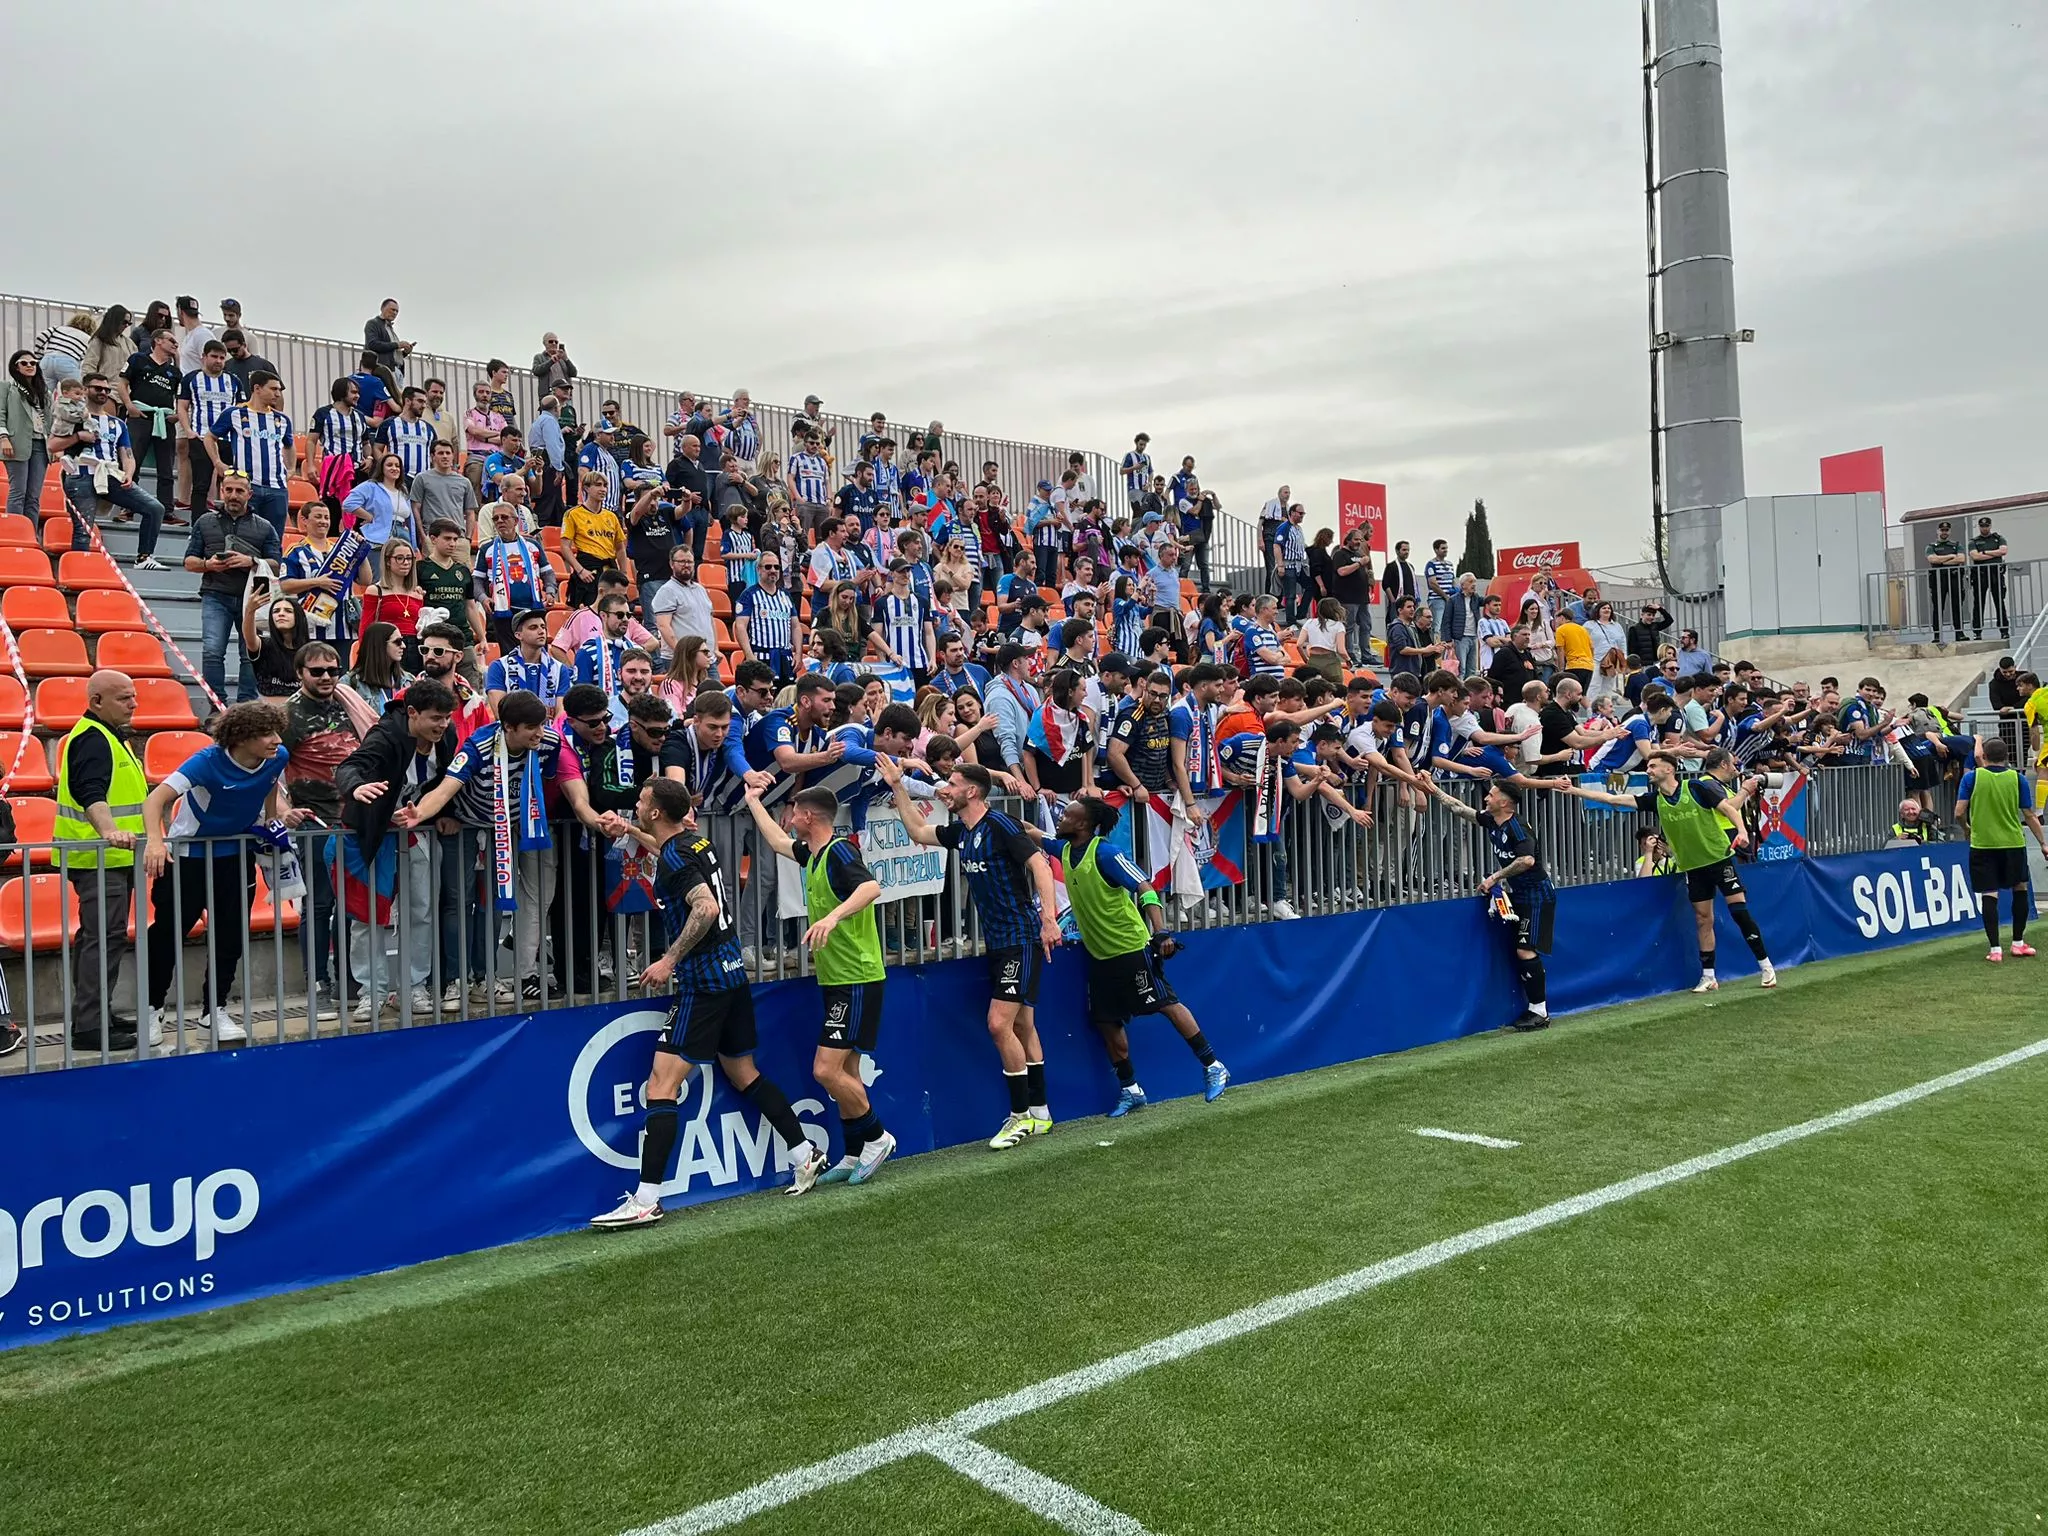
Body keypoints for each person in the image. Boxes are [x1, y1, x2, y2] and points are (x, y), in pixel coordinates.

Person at [588, 780, 829, 1229]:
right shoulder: (692, 842)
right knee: (742, 1072)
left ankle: (646, 1199)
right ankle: (803, 1152)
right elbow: (672, 859)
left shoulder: (677, 854)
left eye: (641, 802)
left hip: (703, 982)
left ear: (656, 812)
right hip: (732, 971)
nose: (636, 804)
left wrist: (669, 959)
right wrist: (629, 830)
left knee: (661, 1084)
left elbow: (705, 907)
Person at [879, 759, 1062, 1148]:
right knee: (1023, 1025)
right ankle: (1041, 1112)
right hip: (999, 942)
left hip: (1020, 936)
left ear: (972, 791)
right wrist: (897, 786)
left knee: (998, 1024)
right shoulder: (962, 831)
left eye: (953, 783)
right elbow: (917, 830)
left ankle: (1020, 1117)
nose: (946, 789)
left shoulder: (1001, 825)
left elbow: (1041, 867)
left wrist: (1049, 919)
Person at [740, 785, 898, 1185]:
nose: (789, 817)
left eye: (794, 811)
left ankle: (878, 1137)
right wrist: (753, 801)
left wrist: (832, 917)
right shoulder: (812, 854)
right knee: (846, 1070)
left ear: (808, 816)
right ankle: (854, 1152)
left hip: (857, 977)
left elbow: (870, 887)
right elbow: (777, 842)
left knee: (826, 1070)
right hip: (837, 978)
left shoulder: (840, 851)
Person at [1036, 796, 1230, 1116]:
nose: (1060, 819)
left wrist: (1160, 931)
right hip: (1099, 956)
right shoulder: (1064, 849)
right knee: (1106, 1021)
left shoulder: (1107, 853)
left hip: (1130, 948)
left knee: (1166, 1004)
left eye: (1066, 816)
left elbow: (1145, 887)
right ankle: (1131, 1089)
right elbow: (1029, 831)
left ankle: (1213, 1066)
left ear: (1082, 824)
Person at [140, 702, 307, 1045]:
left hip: (235, 857)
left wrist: (271, 817)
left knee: (230, 938)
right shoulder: (206, 762)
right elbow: (154, 801)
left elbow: (269, 785)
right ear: (241, 738)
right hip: (187, 858)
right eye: (266, 734)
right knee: (167, 936)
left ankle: (213, 1013)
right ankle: (152, 1010)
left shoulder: (277, 756)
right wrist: (156, 842)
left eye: (277, 732)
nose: (277, 740)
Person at [1572, 750, 1777, 993]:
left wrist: (1741, 831)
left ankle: (1766, 966)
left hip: (1720, 859)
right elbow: (1612, 799)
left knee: (1739, 913)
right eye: (1648, 766)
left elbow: (1729, 809)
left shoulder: (1696, 788)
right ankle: (1708, 976)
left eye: (1653, 766)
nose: (1648, 770)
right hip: (1693, 867)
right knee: (1703, 919)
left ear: (1669, 769)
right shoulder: (1655, 800)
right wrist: (1573, 790)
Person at [333, 679, 458, 1022]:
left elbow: (447, 780)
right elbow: (350, 767)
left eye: (447, 717)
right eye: (435, 718)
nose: (442, 725)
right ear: (412, 712)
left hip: (415, 832)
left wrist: (445, 814)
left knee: (421, 910)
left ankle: (413, 987)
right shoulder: (385, 734)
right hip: (373, 832)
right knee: (368, 916)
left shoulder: (447, 735)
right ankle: (370, 992)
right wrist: (357, 788)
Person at [53, 670, 151, 1051]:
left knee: (98, 938)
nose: (134, 704)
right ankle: (91, 1027)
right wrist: (110, 831)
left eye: (134, 696)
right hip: (99, 857)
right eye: (125, 698)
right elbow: (89, 791)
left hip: (110, 857)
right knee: (104, 939)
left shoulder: (109, 735)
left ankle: (92, 1016)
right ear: (97, 701)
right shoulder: (93, 738)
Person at [1431, 780, 1556, 1030]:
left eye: (1491, 795)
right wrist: (1431, 788)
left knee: (1525, 949)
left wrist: (1495, 877)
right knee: (1520, 949)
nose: (1486, 798)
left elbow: (1527, 860)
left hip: (1537, 895)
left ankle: (1539, 1011)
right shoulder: (1491, 820)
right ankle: (1536, 1009)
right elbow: (1459, 808)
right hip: (1519, 893)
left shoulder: (1518, 827)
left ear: (1504, 802)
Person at [185, 473, 283, 703]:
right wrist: (208, 564)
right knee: (212, 651)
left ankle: (246, 706)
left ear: (249, 494)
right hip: (215, 594)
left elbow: (277, 565)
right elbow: (189, 561)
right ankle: (216, 706)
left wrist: (251, 561)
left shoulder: (265, 527)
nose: (233, 495)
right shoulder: (204, 522)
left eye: (239, 491)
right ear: (222, 491)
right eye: (228, 490)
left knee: (250, 653)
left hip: (252, 598)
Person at [1954, 737, 2048, 962]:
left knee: (1989, 893)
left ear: (1984, 756)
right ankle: (2018, 943)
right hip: (2013, 843)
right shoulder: (2017, 779)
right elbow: (2029, 815)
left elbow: (1958, 812)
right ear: (2007, 757)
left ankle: (1995, 949)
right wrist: (2043, 843)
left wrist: (1966, 828)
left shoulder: (1972, 778)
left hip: (1983, 844)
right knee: (2020, 887)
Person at [1923, 519, 1968, 646]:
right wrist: (1951, 556)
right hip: (1938, 579)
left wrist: (1941, 561)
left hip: (1954, 578)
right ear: (1938, 531)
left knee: (1957, 606)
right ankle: (1937, 635)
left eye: (1946, 530)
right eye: (1942, 530)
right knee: (1938, 608)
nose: (1944, 532)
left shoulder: (1956, 545)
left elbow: (1961, 559)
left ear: (1950, 531)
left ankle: (1959, 633)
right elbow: (1932, 559)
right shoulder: (1931, 546)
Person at [1968, 515, 2010, 642]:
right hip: (1980, 574)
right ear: (1979, 527)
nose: (1984, 528)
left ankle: (2004, 630)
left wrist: (1985, 552)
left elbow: (2003, 551)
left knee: (1999, 602)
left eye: (1986, 526)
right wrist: (1994, 553)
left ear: (1990, 526)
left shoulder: (1999, 538)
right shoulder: (1974, 541)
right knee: (1978, 603)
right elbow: (1975, 556)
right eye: (1982, 526)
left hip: (1995, 573)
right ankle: (1977, 632)